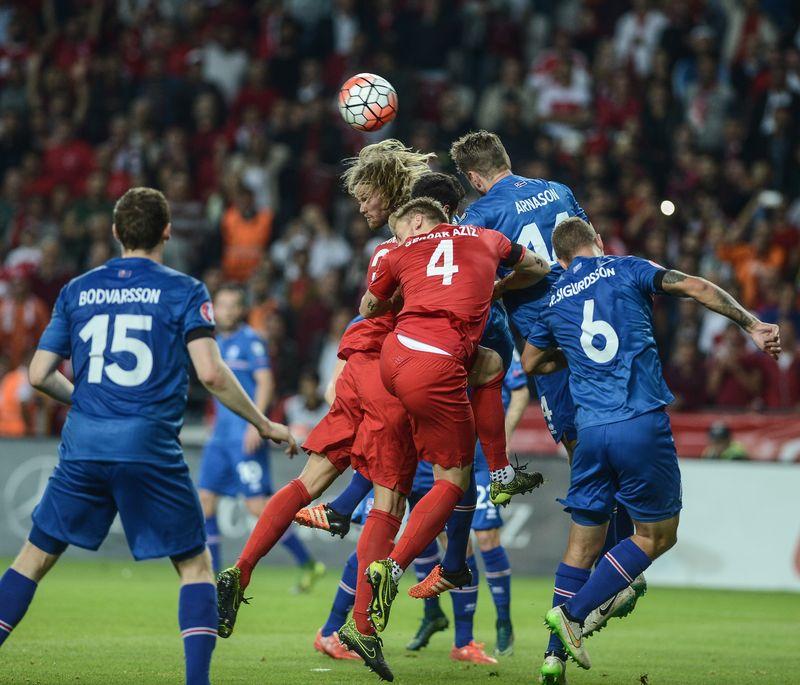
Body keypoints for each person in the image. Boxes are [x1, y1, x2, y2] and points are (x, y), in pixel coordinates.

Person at [0, 187, 296, 685]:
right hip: (149, 448)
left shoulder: (77, 290)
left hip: (85, 447)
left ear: (115, 232)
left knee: (32, 557)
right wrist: (263, 423)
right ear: (167, 231)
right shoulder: (184, 290)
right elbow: (213, 373)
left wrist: (88, 400)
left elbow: (37, 374)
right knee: (196, 566)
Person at [521, 217, 779, 680]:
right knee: (657, 536)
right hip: (638, 422)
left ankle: (553, 656)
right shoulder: (626, 268)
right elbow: (696, 287)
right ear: (598, 241)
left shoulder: (552, 300)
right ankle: (574, 616)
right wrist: (751, 323)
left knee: (581, 547)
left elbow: (531, 360)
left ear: (559, 259)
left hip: (591, 434)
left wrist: (571, 356)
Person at [450, 130, 645, 663]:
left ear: (472, 176)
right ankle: (619, 567)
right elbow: (589, 248)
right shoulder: (558, 189)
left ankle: (610, 576)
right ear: (506, 160)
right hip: (597, 330)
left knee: (585, 458)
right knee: (615, 444)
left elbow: (486, 278)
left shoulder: (481, 214)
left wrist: (493, 289)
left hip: (551, 345)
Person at [352, 197, 549, 674]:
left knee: (489, 365)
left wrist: (400, 284)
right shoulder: (487, 239)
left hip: (396, 357)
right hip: (437, 361)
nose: (401, 235)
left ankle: (498, 473)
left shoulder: (400, 252)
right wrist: (499, 285)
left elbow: (368, 305)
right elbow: (539, 267)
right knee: (454, 480)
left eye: (402, 229)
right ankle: (392, 568)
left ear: (418, 220)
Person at [197, 284, 322, 591]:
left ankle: (308, 563)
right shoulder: (213, 344)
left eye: (231, 305)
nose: (225, 311)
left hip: (244, 436)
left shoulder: (251, 341)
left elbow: (265, 382)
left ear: (241, 310)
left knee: (256, 507)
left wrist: (257, 424)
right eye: (221, 305)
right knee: (205, 501)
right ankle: (212, 577)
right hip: (220, 438)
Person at [407, 354, 530, 662]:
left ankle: (503, 620)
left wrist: (503, 438)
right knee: (450, 541)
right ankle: (456, 632)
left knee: (487, 534)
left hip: (481, 458)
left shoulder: (491, 335)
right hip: (442, 454)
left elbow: (520, 392)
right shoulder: (437, 337)